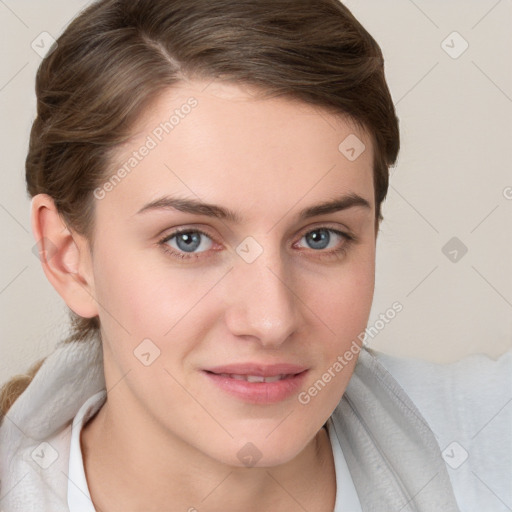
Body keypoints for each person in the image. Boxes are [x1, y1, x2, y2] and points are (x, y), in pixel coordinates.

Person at [0, 1, 509, 511]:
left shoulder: (489, 447)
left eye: (320, 237)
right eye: (189, 240)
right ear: (67, 256)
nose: (271, 320)